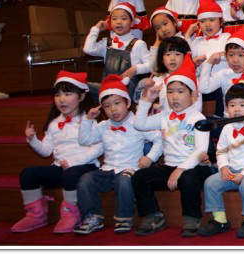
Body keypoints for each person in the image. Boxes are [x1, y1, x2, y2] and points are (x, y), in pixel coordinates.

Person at [11, 71, 101, 233]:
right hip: (61, 168)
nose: (61, 99)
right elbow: (46, 151)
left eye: (67, 94)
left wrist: (73, 162)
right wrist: (32, 139)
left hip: (85, 167)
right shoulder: (54, 123)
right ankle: (36, 215)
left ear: (81, 97)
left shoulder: (89, 120)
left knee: (70, 174)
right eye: (58, 95)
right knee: (28, 174)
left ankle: (71, 214)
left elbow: (98, 148)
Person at [132, 55, 211, 236]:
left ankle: (192, 217)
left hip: (196, 167)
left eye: (180, 92)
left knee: (188, 178)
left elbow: (201, 151)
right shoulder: (164, 116)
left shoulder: (198, 118)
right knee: (139, 177)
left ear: (193, 96)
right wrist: (146, 101)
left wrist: (180, 169)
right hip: (170, 166)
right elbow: (139, 124)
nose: (175, 97)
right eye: (170, 92)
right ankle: (153, 215)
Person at [74, 75, 162, 235]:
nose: (113, 109)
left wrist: (150, 157)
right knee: (85, 180)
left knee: (124, 180)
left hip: (130, 168)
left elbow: (159, 139)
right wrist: (87, 120)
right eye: (107, 106)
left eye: (117, 103)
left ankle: (124, 218)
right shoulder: (103, 126)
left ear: (127, 103)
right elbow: (85, 140)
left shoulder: (138, 123)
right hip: (108, 170)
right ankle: (92, 217)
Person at [199, 83, 244, 238]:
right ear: (227, 108)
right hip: (233, 169)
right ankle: (220, 219)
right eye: (232, 105)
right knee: (210, 183)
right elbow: (221, 150)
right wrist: (223, 167)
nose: (237, 109)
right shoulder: (227, 127)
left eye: (242, 105)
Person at [82, 2, 151, 98]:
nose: (118, 22)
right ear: (110, 22)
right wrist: (96, 29)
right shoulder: (107, 43)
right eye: (114, 19)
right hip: (107, 88)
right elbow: (88, 49)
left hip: (126, 90)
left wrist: (136, 69)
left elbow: (152, 65)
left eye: (124, 18)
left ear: (132, 23)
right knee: (80, 86)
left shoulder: (138, 44)